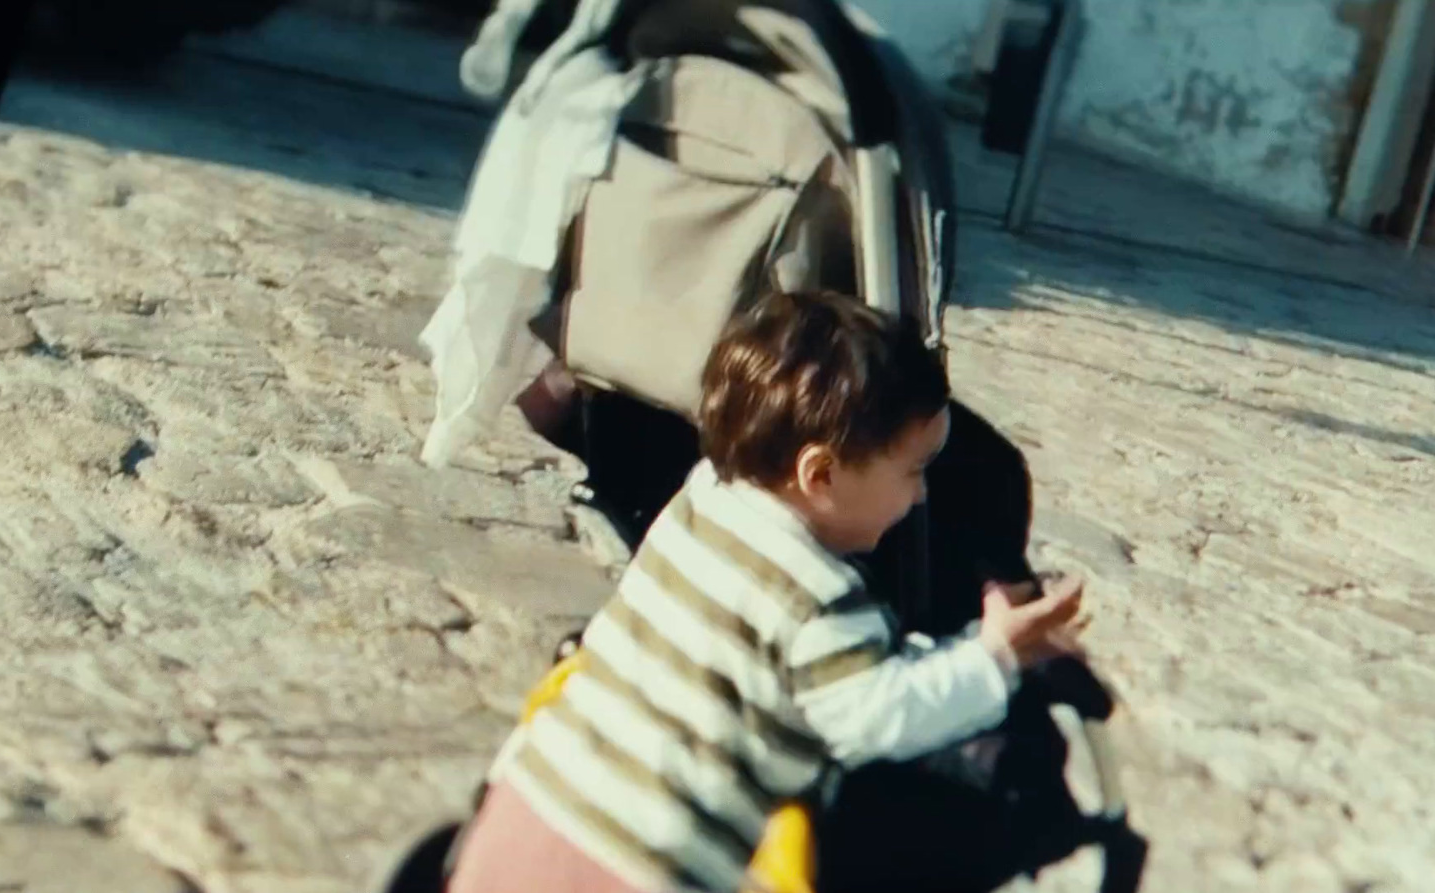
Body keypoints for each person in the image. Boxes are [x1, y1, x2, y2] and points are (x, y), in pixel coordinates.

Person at [446, 290, 1091, 893]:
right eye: (914, 471)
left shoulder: (703, 497)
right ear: (821, 473)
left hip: (527, 806)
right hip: (643, 865)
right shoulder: (823, 600)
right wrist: (994, 655)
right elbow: (878, 718)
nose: (922, 493)